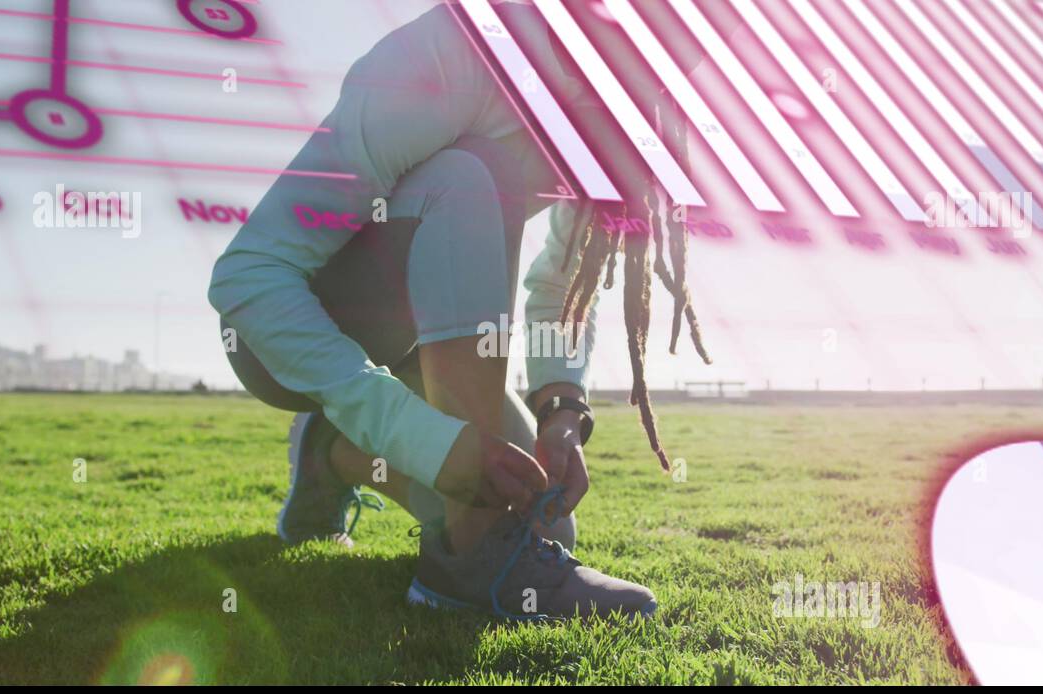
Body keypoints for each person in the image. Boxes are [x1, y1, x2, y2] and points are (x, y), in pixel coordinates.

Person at [208, 1, 710, 620]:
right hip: (292, 331)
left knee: (546, 531)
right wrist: (420, 436)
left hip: (425, 340)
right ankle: (467, 564)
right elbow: (251, 274)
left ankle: (329, 450)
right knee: (475, 174)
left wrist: (560, 410)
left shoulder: (615, 116)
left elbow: (559, 287)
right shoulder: (452, 55)